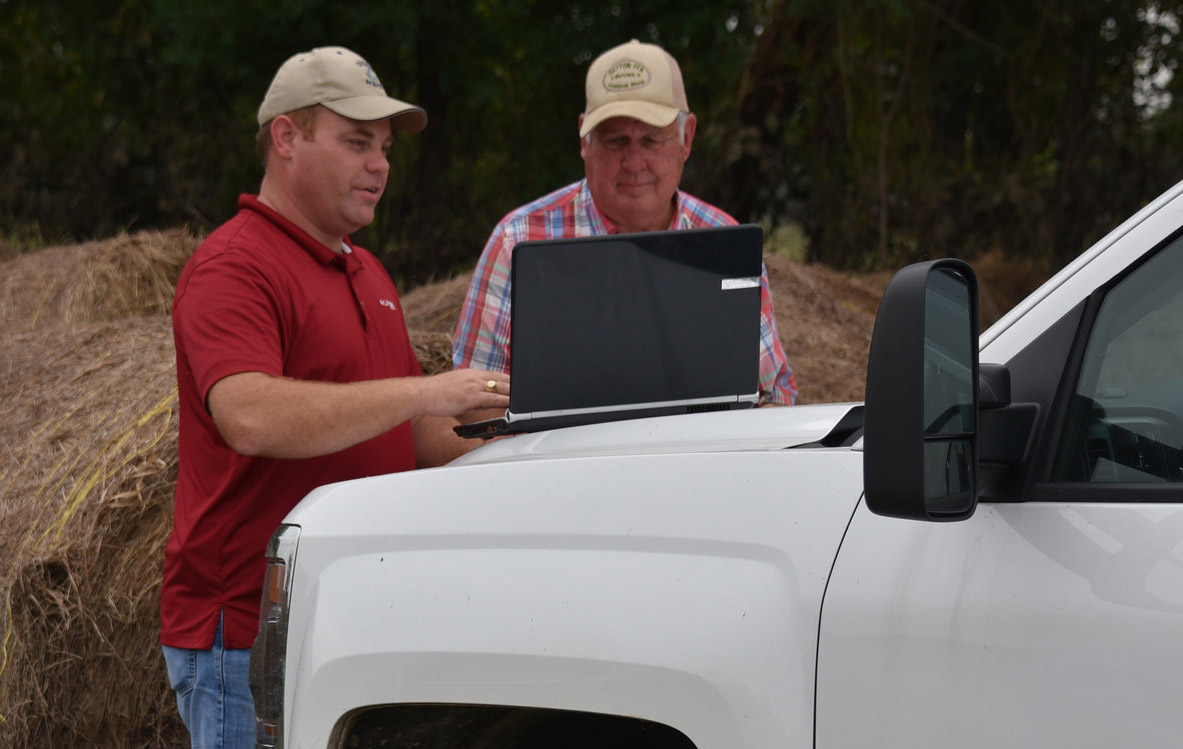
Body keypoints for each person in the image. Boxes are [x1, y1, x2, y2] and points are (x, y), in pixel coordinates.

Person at [160, 46, 509, 748]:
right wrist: (426, 389)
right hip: (252, 640)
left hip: (353, 623)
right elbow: (250, 415)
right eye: (355, 142)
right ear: (285, 138)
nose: (379, 164)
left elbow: (413, 439)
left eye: (383, 147)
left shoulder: (368, 270)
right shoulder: (234, 264)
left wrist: (521, 420)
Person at [452, 39, 798, 405]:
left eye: (651, 140)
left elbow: (774, 393)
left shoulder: (726, 242)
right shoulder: (517, 241)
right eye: (616, 141)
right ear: (585, 139)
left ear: (687, 138)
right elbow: (473, 403)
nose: (634, 163)